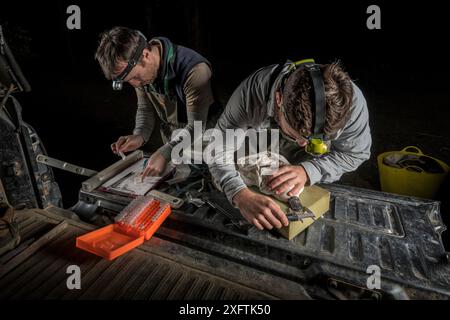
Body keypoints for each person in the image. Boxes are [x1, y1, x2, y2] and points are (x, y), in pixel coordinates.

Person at [208, 59, 371, 230]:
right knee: (233, 168)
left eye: (313, 141)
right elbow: (217, 151)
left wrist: (309, 171)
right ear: (279, 99)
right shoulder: (251, 95)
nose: (304, 145)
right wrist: (239, 195)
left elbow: (355, 153)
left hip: (304, 154)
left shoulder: (350, 104)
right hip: (263, 136)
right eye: (297, 136)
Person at [95, 26, 220, 177]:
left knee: (207, 185)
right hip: (175, 141)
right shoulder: (139, 71)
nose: (135, 84)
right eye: (128, 81)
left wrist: (165, 153)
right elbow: (145, 109)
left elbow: (197, 127)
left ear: (145, 55)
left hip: (206, 139)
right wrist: (140, 135)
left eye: (134, 77)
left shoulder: (194, 70)